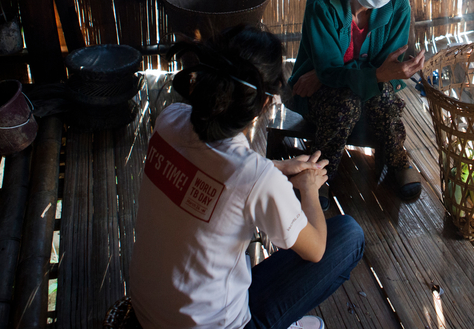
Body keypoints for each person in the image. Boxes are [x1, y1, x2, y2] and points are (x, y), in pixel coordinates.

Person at [129, 25, 365, 329]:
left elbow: (216, 172)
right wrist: (308, 189)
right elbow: (317, 248)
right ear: (265, 101)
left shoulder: (169, 121)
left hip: (147, 311)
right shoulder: (255, 178)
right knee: (349, 236)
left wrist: (279, 168)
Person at [289, 0, 426, 204]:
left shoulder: (398, 5)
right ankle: (320, 173)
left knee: (383, 98)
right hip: (315, 94)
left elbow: (385, 70)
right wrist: (332, 73)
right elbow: (347, 71)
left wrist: (330, 72)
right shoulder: (322, 4)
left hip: (365, 91)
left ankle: (399, 160)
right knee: (346, 101)